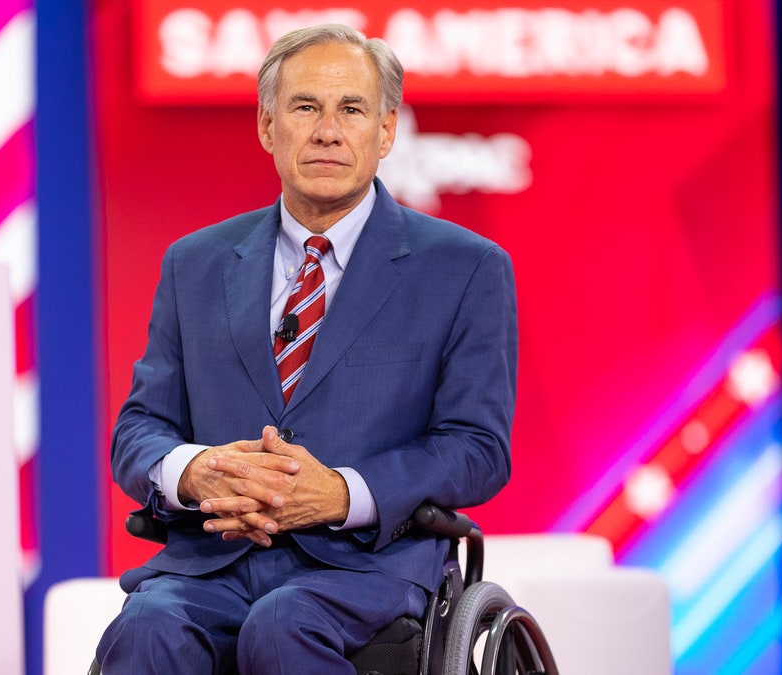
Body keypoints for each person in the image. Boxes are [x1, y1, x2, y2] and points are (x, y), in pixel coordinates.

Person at [95, 23, 518, 673]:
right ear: (268, 127)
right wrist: (194, 471)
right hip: (213, 562)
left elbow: (478, 448)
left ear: (385, 131)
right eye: (304, 107)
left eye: (351, 109)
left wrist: (344, 493)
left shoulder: (463, 267)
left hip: (367, 566)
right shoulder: (196, 263)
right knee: (147, 627)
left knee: (283, 626)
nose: (327, 130)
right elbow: (139, 430)